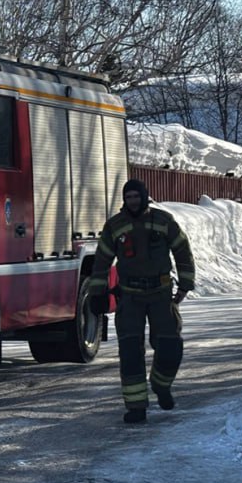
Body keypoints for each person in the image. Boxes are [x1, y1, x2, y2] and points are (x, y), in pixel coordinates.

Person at [87, 179, 196, 424]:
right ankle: (136, 407)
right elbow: (102, 261)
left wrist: (186, 284)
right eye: (129, 197)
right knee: (130, 353)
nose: (133, 201)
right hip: (129, 298)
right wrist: (97, 293)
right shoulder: (115, 226)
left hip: (160, 294)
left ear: (144, 196)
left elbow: (182, 250)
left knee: (170, 346)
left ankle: (161, 384)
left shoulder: (163, 221)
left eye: (137, 196)